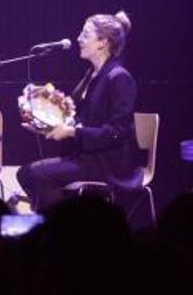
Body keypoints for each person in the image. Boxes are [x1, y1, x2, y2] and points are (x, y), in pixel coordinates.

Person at [18, 11, 141, 210]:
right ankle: (66, 225)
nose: (78, 39)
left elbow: (116, 133)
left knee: (37, 176)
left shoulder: (119, 78)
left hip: (108, 163)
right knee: (25, 173)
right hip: (87, 156)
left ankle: (67, 227)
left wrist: (73, 132)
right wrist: (46, 126)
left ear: (103, 43)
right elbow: (80, 119)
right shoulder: (91, 75)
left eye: (85, 35)